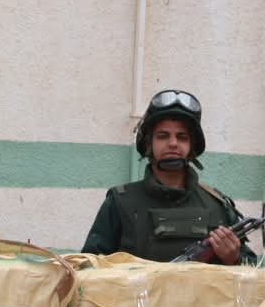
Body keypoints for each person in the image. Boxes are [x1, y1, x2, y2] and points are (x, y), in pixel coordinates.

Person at [81, 89, 253, 264]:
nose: (173, 143)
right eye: (163, 136)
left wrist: (235, 259)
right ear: (149, 143)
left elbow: (254, 270)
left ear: (192, 146)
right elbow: (87, 268)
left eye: (182, 137)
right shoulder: (119, 203)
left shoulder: (217, 205)